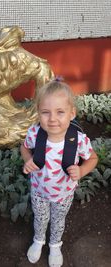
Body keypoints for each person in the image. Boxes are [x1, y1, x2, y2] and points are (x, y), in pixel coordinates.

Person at [20, 78, 98, 267]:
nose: (52, 119)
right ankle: (39, 240)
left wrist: (81, 170)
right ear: (38, 113)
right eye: (45, 112)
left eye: (60, 112)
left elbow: (93, 159)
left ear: (72, 114)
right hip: (39, 190)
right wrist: (28, 160)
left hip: (64, 193)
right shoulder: (35, 134)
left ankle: (55, 244)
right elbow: (24, 148)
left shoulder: (78, 140)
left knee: (58, 219)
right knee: (40, 217)